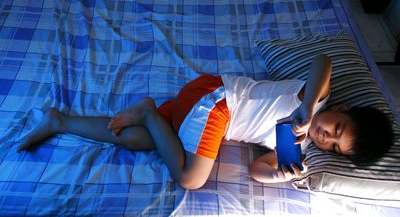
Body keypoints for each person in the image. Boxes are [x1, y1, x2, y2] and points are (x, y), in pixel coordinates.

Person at [17, 54, 393, 189]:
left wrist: (284, 174)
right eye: (336, 129)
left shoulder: (296, 147)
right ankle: (148, 110)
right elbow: (323, 62)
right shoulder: (313, 98)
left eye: (332, 146)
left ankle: (60, 122)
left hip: (199, 111)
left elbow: (258, 170)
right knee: (190, 178)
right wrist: (309, 106)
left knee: (137, 139)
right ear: (341, 110)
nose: (325, 136)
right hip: (217, 100)